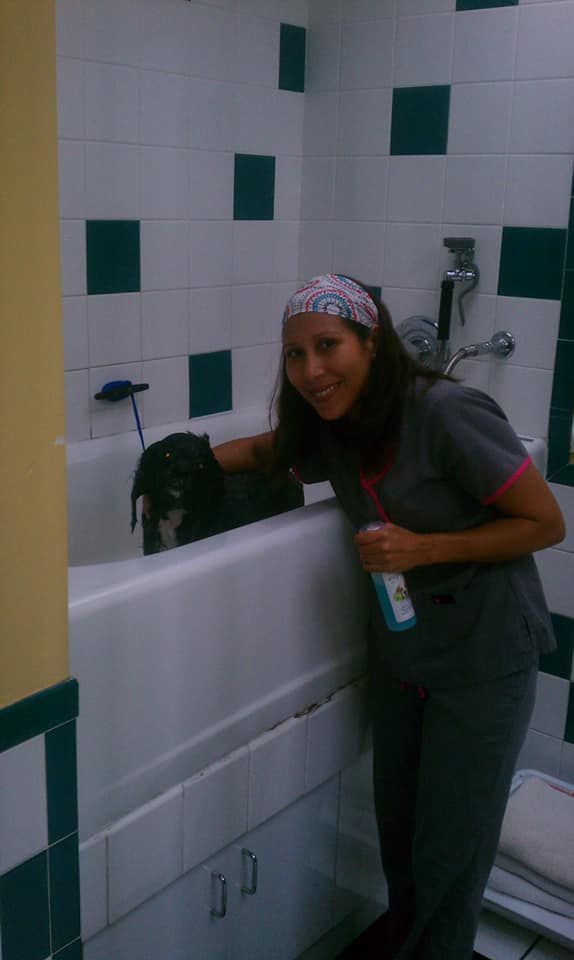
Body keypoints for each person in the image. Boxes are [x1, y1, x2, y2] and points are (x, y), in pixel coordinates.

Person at [151, 274, 566, 958]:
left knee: (449, 856)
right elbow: (265, 452)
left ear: (372, 343)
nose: (311, 370)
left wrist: (426, 546)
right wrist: (176, 469)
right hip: (406, 653)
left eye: (328, 345)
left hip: (486, 654)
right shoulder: (334, 427)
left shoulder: (446, 412)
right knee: (400, 838)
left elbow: (545, 522)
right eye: (294, 354)